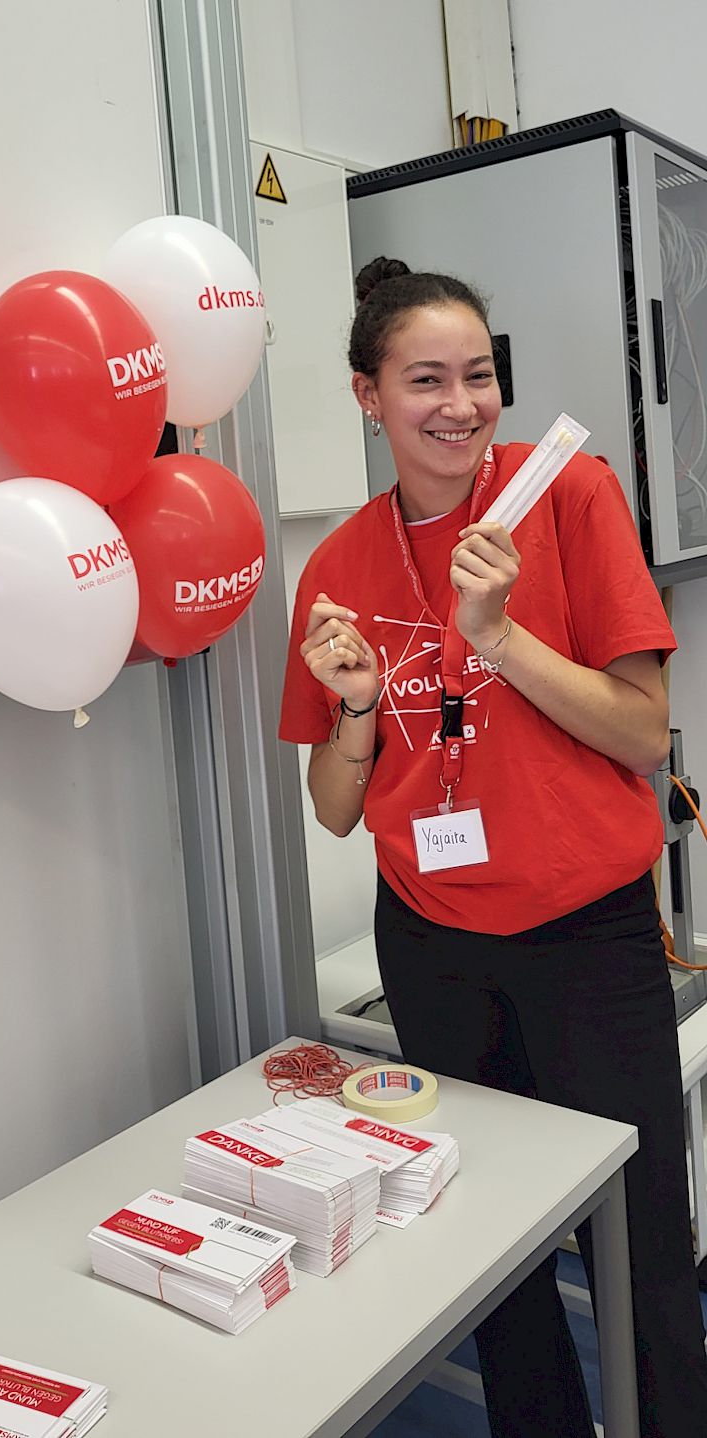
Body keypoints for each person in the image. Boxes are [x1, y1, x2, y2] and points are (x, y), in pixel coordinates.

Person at [279, 257, 707, 1438]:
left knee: (639, 1237)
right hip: (433, 946)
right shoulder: (338, 567)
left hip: (586, 940)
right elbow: (332, 808)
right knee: (492, 1244)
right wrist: (357, 705)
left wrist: (498, 634)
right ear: (367, 395)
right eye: (424, 379)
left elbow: (642, 732)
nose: (459, 404)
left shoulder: (565, 497)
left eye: (477, 375)